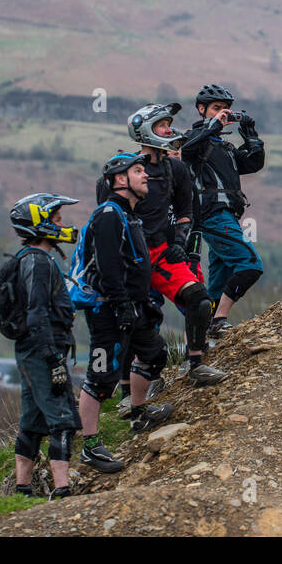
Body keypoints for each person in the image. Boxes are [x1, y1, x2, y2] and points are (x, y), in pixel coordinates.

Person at [102, 103, 229, 387]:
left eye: (169, 124)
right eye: (163, 125)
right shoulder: (125, 169)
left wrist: (181, 242)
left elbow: (186, 211)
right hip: (131, 256)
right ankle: (127, 393)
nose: (169, 129)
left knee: (200, 299)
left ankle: (195, 363)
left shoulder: (177, 168)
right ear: (146, 130)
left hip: (162, 252)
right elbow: (108, 211)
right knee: (137, 322)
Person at [76, 152, 174, 474]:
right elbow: (107, 267)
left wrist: (142, 302)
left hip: (134, 305)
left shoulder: (130, 216)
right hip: (108, 310)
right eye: (137, 170)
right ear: (120, 180)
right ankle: (90, 447)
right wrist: (121, 305)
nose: (145, 175)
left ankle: (138, 414)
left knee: (154, 354)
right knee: (101, 375)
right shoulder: (108, 215)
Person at [7, 192, 81, 500]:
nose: (63, 224)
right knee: (62, 420)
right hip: (42, 351)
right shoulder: (37, 263)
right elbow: (36, 313)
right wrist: (53, 360)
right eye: (58, 219)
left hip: (31, 350)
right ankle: (62, 491)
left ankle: (22, 490)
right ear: (41, 223)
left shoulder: (28, 259)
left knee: (33, 420)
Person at [179, 84, 265, 338]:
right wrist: (214, 124)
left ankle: (201, 336)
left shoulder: (224, 147)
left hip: (229, 216)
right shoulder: (192, 139)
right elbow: (186, 151)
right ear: (201, 109)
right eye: (216, 109)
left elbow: (252, 163)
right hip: (212, 215)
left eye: (226, 109)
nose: (222, 114)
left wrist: (251, 136)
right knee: (250, 264)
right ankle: (219, 320)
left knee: (217, 283)